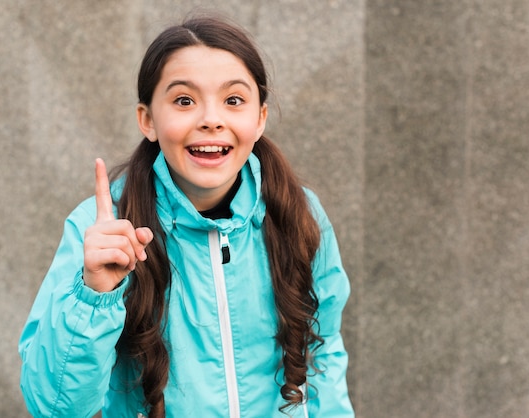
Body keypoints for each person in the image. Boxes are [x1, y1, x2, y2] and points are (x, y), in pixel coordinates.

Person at [19, 14, 354, 418]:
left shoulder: (300, 215)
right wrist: (94, 296)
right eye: (184, 100)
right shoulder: (102, 232)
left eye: (233, 100)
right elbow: (54, 408)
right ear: (148, 120)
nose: (211, 119)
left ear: (260, 118)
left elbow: (323, 354)